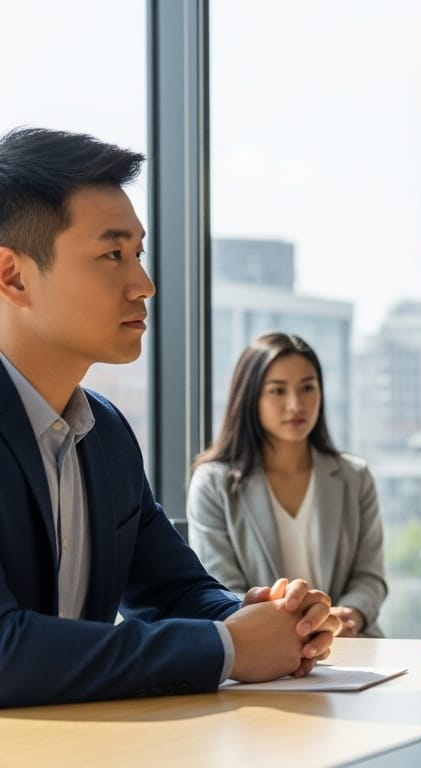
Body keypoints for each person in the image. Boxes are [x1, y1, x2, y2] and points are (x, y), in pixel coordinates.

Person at [0, 127, 339, 708]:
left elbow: (174, 590)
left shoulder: (103, 433)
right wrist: (227, 648)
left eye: (138, 253)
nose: (145, 285)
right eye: (112, 255)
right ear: (12, 275)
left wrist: (268, 622)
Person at [187, 333, 388, 637]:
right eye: (277, 391)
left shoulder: (354, 476)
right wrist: (296, 624)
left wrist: (350, 614)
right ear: (250, 396)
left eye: (307, 388)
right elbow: (220, 588)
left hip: (350, 645)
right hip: (259, 648)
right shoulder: (214, 483)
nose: (296, 405)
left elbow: (369, 577)